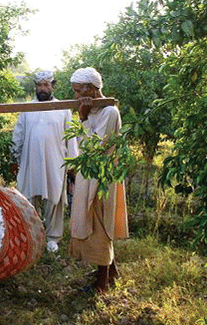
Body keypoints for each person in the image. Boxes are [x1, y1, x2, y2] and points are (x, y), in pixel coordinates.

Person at [69, 67, 128, 293]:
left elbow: (93, 147)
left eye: (77, 91)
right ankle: (111, 272)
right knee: (93, 220)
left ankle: (101, 284)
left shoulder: (109, 112)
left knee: (101, 223)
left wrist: (83, 118)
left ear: (91, 90)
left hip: (103, 177)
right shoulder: (93, 109)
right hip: (89, 174)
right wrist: (85, 116)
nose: (75, 97)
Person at [11, 70, 78, 252]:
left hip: (55, 162)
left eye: (46, 85)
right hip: (29, 161)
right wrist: (14, 157)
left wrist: (72, 162)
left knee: (54, 197)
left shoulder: (63, 108)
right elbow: (18, 134)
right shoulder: (27, 108)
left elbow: (70, 137)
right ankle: (31, 235)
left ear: (52, 86)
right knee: (28, 196)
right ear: (35, 86)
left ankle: (52, 237)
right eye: (39, 85)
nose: (42, 88)